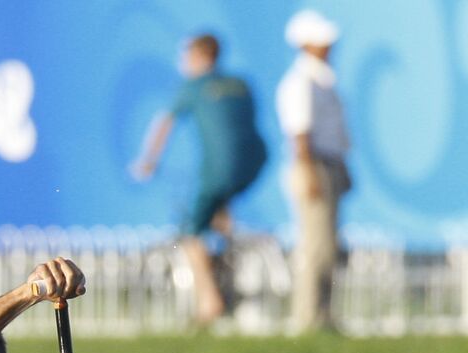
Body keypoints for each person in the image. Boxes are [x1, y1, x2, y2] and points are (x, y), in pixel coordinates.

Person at [132, 33, 267, 325]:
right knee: (220, 211)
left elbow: (165, 123)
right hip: (254, 164)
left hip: (219, 170)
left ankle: (210, 301)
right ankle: (229, 260)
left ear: (198, 57)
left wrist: (148, 162)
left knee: (192, 234)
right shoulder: (241, 84)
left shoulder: (193, 86)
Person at [276, 10, 350, 333]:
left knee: (328, 246)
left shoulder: (321, 79)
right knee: (315, 246)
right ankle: (308, 319)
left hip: (327, 164)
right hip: (313, 165)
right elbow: (300, 135)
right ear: (306, 44)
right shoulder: (300, 82)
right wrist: (308, 175)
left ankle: (324, 316)